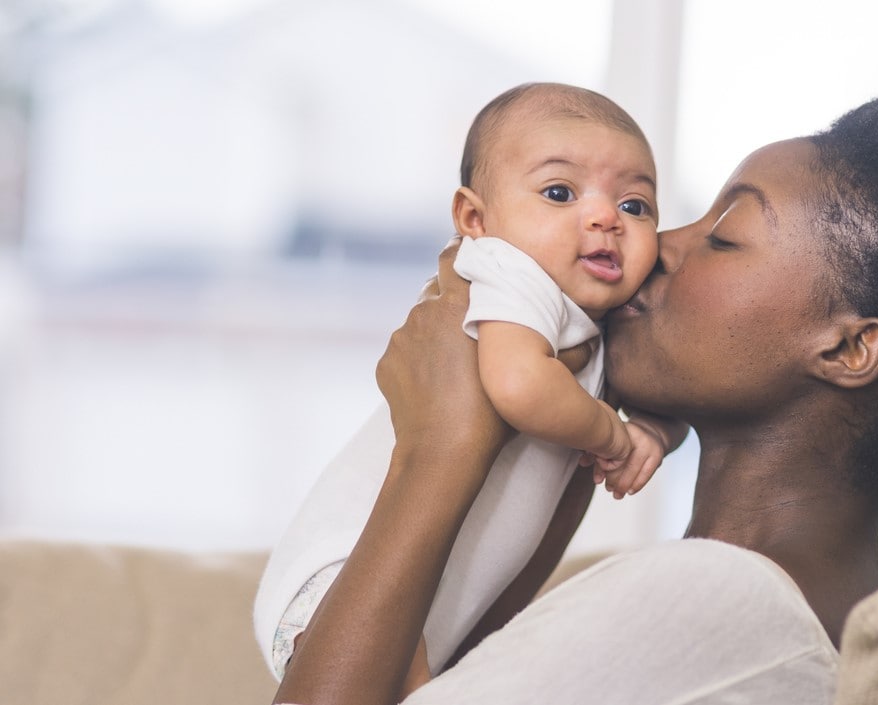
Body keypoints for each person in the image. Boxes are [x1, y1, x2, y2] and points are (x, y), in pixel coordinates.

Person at [271, 94, 878, 705]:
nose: (654, 247)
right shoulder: (748, 607)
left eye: (725, 235)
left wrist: (438, 448)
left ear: (849, 348)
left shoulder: (722, 605)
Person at [254, 83, 688, 684]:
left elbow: (677, 391)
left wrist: (658, 432)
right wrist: (617, 440)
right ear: (475, 219)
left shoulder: (601, 317)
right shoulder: (509, 271)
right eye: (559, 192)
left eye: (636, 206)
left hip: (438, 602)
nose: (605, 217)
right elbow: (519, 384)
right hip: (340, 576)